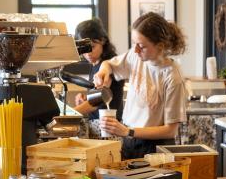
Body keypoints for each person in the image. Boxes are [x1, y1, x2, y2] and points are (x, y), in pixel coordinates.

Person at [93, 12, 187, 159]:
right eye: (134, 43)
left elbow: (171, 131)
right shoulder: (135, 56)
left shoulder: (172, 77)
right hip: (129, 141)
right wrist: (103, 71)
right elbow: (109, 64)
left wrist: (128, 131)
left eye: (142, 46)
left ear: (160, 46)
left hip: (156, 147)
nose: (136, 50)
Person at [71, 18, 124, 125]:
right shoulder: (95, 64)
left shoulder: (108, 65)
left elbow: (96, 102)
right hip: (98, 123)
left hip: (108, 126)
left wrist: (69, 114)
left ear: (103, 40)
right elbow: (102, 95)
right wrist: (85, 97)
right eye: (84, 49)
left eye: (92, 47)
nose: (88, 53)